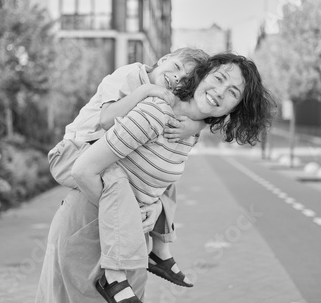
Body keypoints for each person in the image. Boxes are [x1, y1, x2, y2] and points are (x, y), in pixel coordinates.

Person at [35, 52, 274, 303]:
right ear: (201, 77)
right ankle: (120, 274)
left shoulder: (188, 129)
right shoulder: (154, 109)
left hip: (130, 240)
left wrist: (154, 207)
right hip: (90, 229)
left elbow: (149, 179)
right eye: (219, 78)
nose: (221, 91)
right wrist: (130, 216)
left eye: (233, 92)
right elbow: (84, 169)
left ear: (236, 108)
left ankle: (158, 253)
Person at [46, 47, 209, 288]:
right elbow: (106, 119)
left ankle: (160, 250)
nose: (176, 78)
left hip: (101, 156)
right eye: (175, 67)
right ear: (163, 59)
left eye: (185, 80)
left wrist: (196, 127)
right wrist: (145, 91)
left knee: (167, 176)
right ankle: (114, 274)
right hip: (72, 152)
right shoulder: (132, 74)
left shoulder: (166, 96)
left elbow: (205, 113)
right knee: (116, 178)